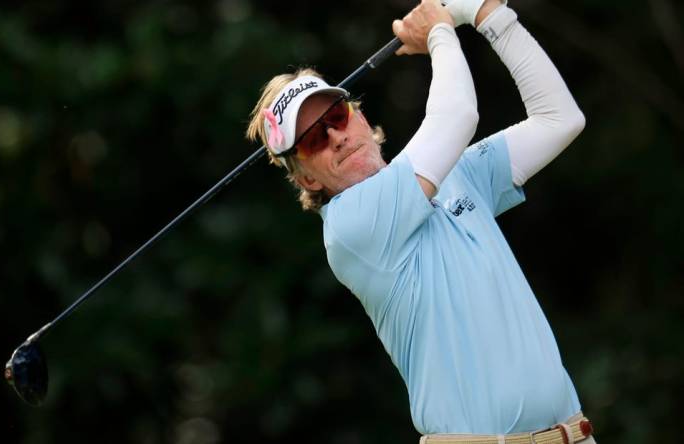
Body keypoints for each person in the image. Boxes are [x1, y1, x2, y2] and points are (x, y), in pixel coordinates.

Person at [246, 0, 594, 442]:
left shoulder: (454, 173)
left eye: (336, 115)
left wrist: (488, 14)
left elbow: (560, 120)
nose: (336, 136)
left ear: (359, 114)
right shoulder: (351, 229)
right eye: (314, 138)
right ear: (305, 177)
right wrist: (441, 31)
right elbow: (458, 115)